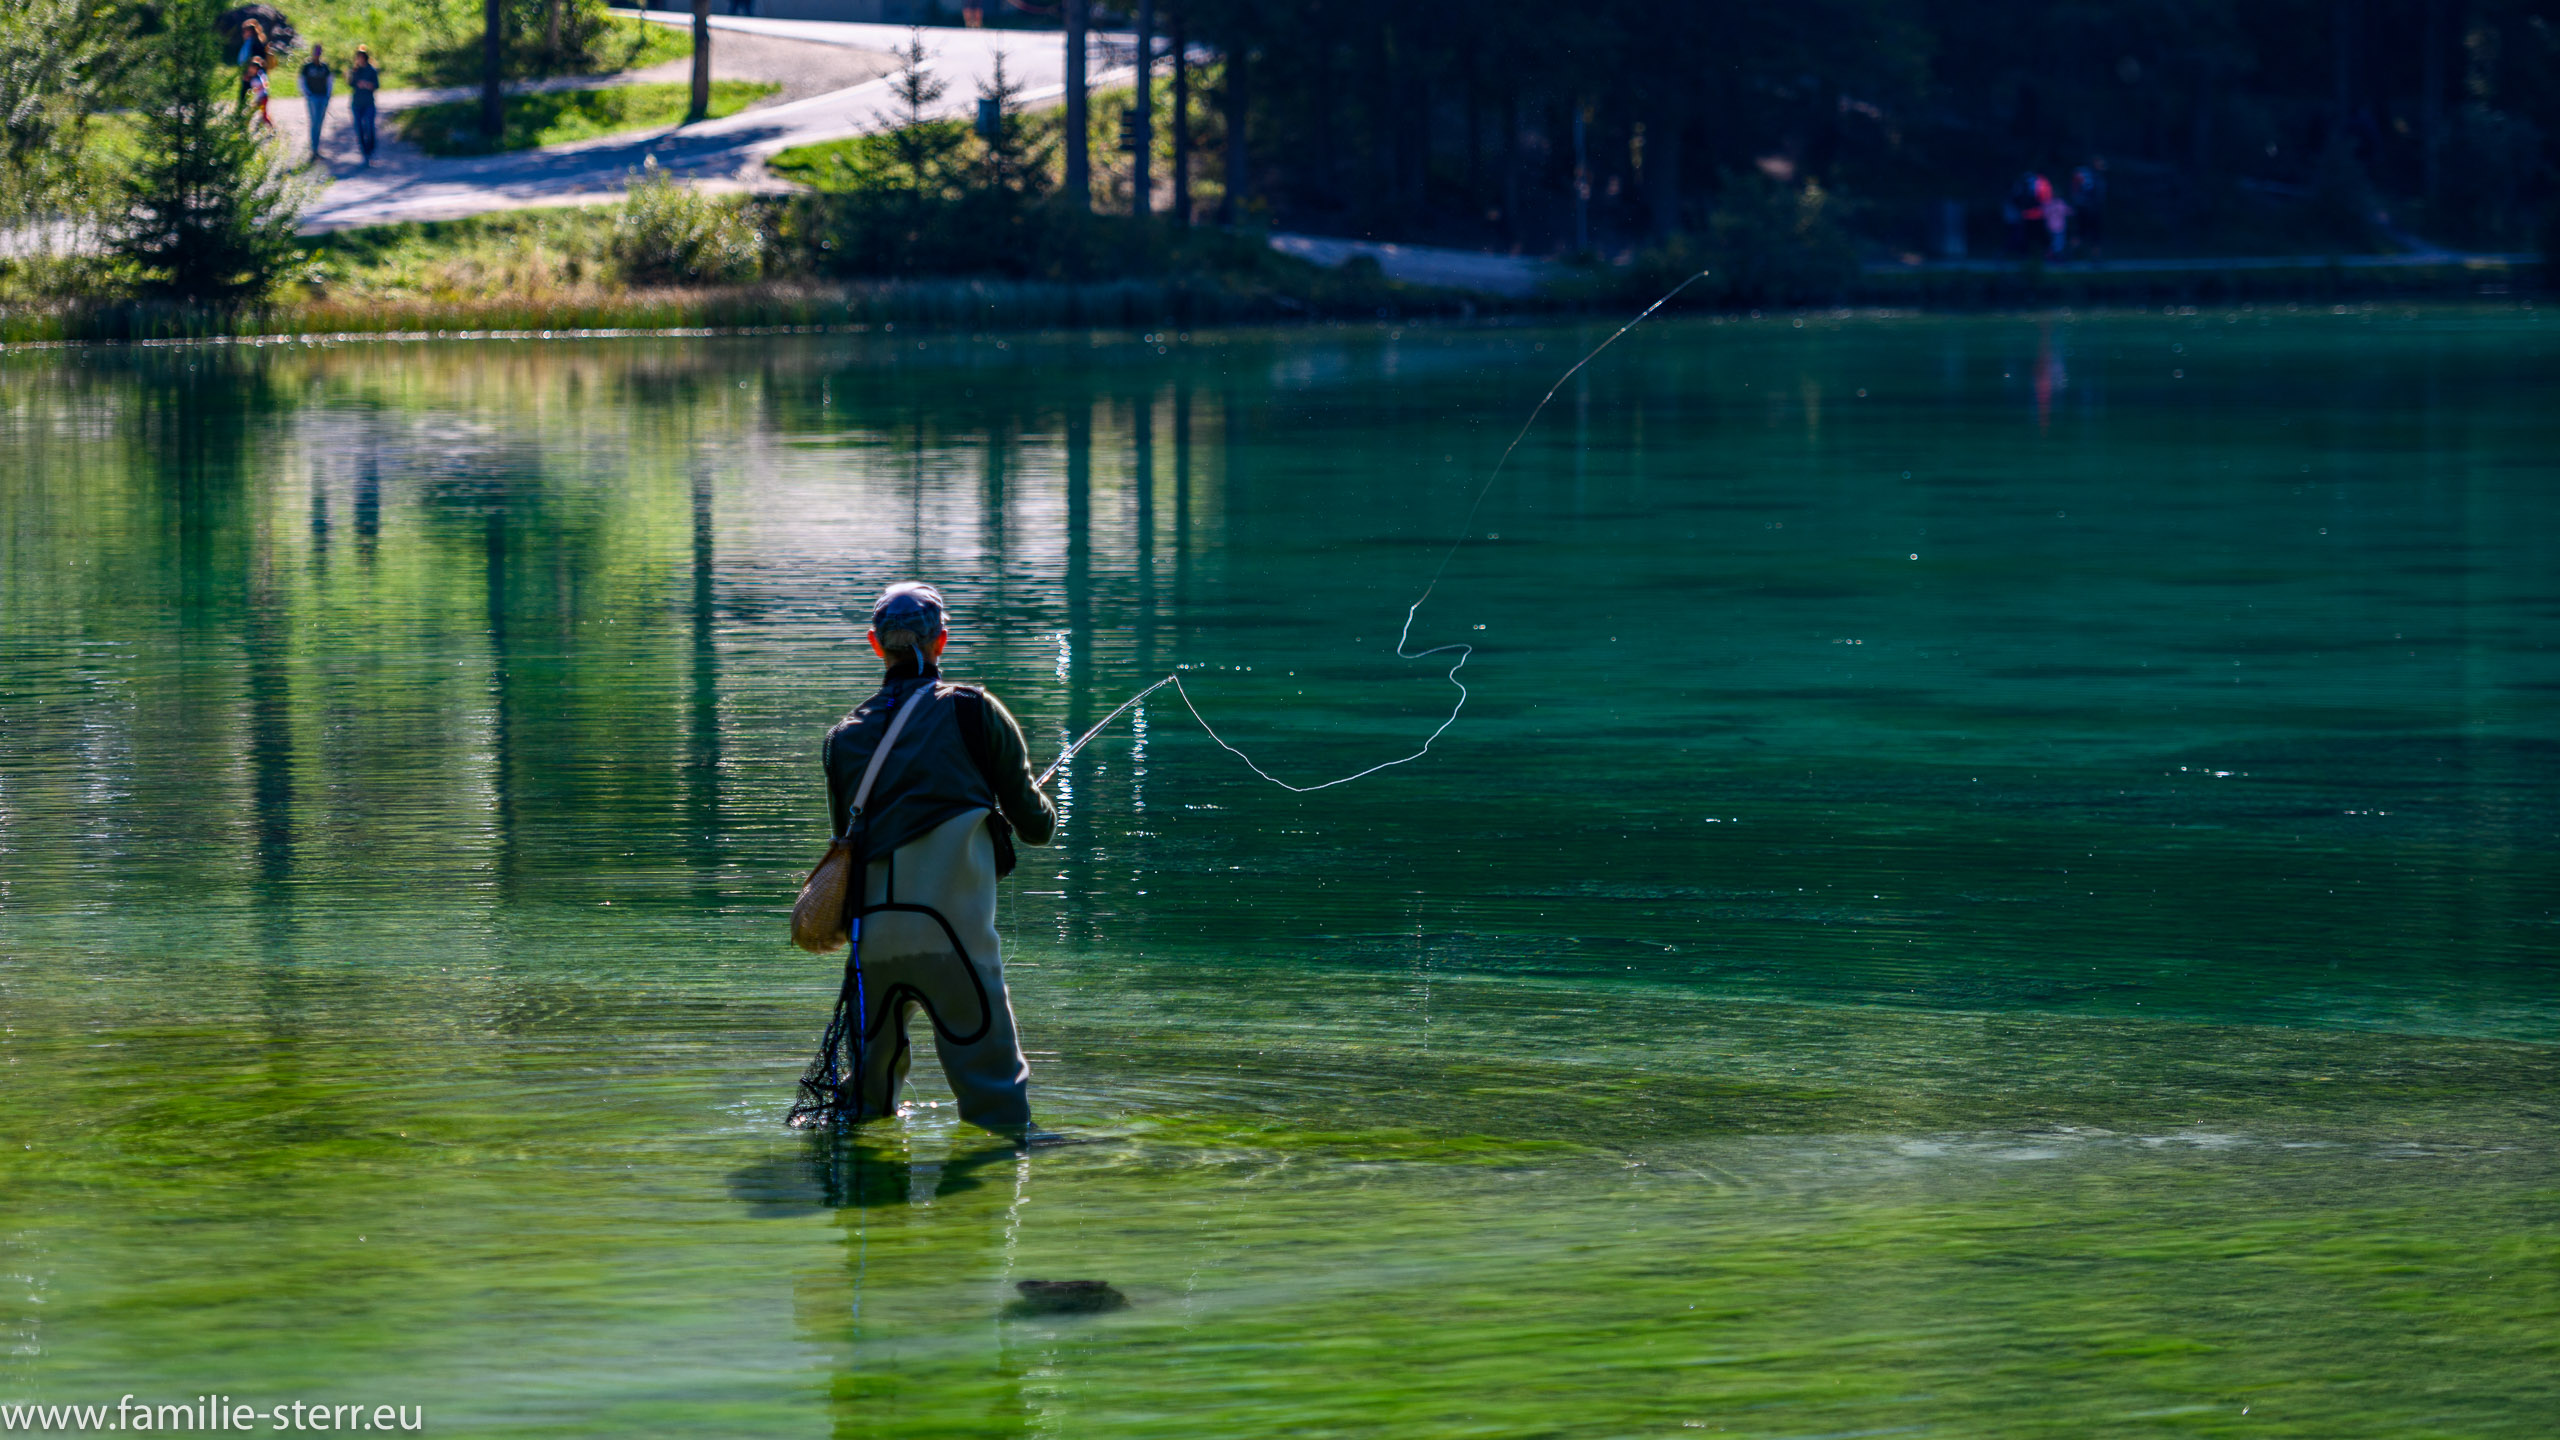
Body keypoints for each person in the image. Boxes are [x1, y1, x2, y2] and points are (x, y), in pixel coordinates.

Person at [820, 583, 1056, 1135]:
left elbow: (844, 848)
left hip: (871, 945)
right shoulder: (975, 712)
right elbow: (1037, 828)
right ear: (942, 641)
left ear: (877, 647)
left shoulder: (842, 738)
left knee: (864, 1115)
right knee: (997, 1109)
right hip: (955, 944)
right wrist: (1039, 809)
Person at [299, 44, 333, 162]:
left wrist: (328, 94)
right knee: (314, 123)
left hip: (322, 97)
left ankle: (317, 148)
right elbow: (302, 81)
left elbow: (329, 81)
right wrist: (307, 93)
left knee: (320, 122)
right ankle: (313, 149)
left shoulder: (324, 67)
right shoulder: (307, 66)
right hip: (313, 97)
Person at [348, 47, 380, 166]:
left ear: (365, 57)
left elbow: (376, 85)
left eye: (361, 57)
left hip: (368, 103)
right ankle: (364, 153)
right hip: (356, 103)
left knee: (369, 128)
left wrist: (366, 85)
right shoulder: (356, 70)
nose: (359, 59)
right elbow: (350, 84)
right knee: (359, 129)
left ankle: (371, 151)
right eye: (358, 57)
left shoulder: (371, 70)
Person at [245, 57, 274, 132]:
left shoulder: (260, 75)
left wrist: (256, 89)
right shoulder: (251, 76)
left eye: (252, 68)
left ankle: (272, 129)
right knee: (252, 113)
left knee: (263, 114)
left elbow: (264, 84)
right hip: (258, 98)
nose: (250, 69)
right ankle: (249, 128)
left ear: (256, 68)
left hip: (263, 98)